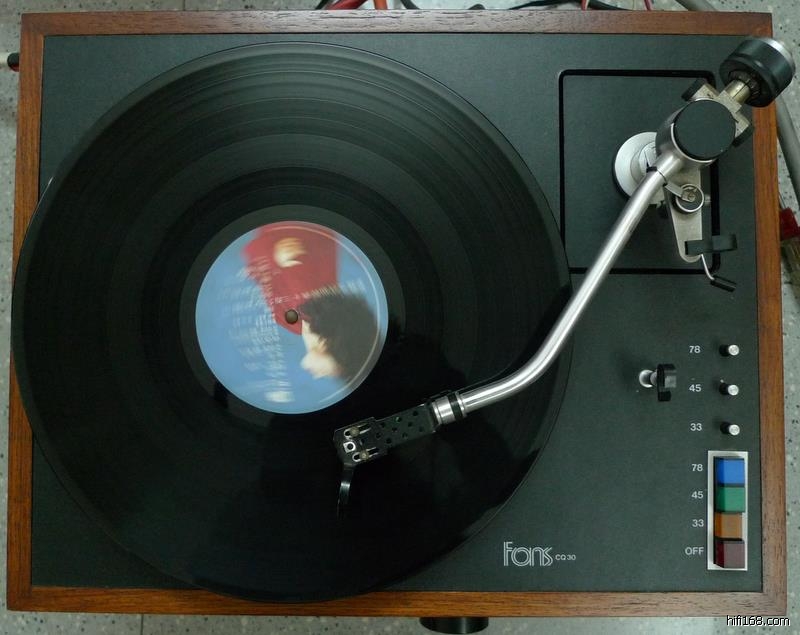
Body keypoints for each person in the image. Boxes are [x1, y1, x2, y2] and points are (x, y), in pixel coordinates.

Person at [243, 223, 379, 384]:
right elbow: (259, 249)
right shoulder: (309, 297)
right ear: (343, 352)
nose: (319, 375)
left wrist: (269, 260)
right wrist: (272, 258)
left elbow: (257, 266)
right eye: (337, 372)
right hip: (290, 217)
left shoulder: (291, 324)